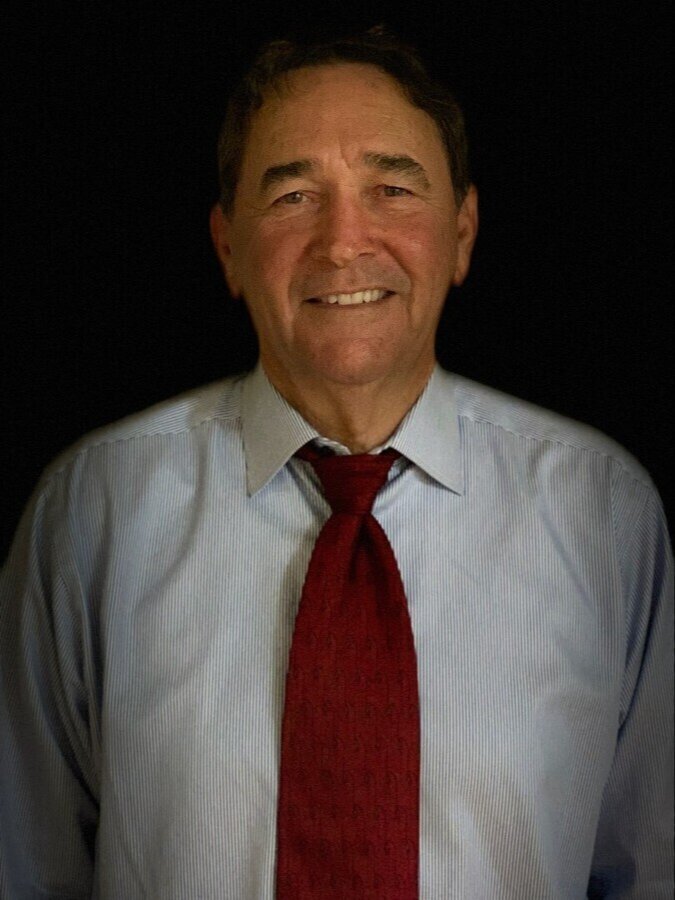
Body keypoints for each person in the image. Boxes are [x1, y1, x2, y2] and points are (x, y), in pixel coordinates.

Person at [0, 27, 672, 899]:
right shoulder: (95, 510)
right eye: (292, 196)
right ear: (228, 247)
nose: (343, 241)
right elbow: (25, 869)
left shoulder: (603, 512)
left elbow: (647, 870)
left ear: (461, 232)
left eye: (391, 189)